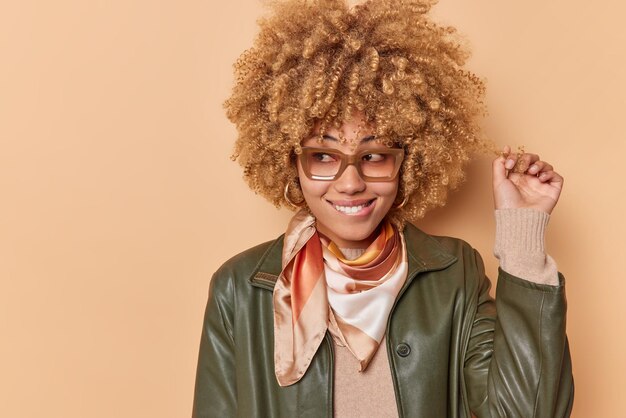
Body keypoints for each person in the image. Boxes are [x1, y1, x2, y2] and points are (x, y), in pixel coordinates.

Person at [192, 0, 574, 416]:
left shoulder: (455, 274)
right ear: (291, 163)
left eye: (374, 156)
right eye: (323, 156)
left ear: (408, 161)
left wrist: (523, 232)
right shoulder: (240, 288)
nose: (351, 182)